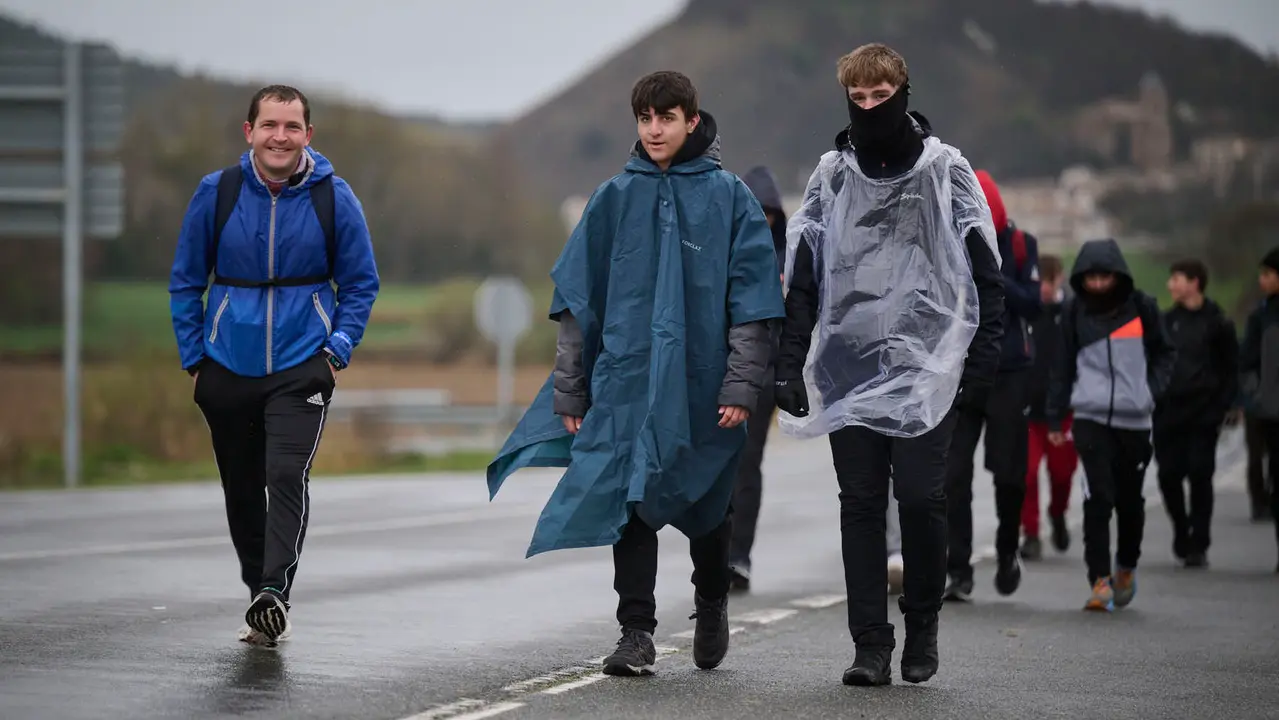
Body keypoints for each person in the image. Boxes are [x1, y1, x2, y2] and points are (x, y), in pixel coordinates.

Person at [486, 71, 785, 677]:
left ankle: (712, 600)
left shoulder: (730, 199)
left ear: (691, 121)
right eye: (645, 119)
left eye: (666, 118)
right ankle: (636, 632)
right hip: (627, 383)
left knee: (709, 504)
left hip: (704, 385)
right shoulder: (613, 199)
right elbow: (577, 304)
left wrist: (741, 385)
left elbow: (754, 306)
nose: (654, 130)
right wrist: (572, 388)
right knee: (631, 500)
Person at [774, 43, 1004, 686]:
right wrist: (789, 363)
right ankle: (870, 644)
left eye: (881, 95)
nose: (870, 106)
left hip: (928, 369)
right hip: (849, 366)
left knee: (924, 499)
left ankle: (922, 620)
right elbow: (804, 277)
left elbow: (986, 277)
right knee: (861, 504)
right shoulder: (831, 176)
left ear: (903, 92)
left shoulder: (944, 170)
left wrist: (980, 370)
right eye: (859, 97)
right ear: (846, 98)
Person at [168, 85, 380, 646]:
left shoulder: (334, 197)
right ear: (250, 132)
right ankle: (258, 594)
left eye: (291, 127)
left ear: (308, 134)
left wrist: (335, 351)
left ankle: (274, 593)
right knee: (241, 487)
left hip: (302, 364)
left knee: (285, 474)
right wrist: (196, 360)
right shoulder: (217, 193)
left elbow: (361, 283)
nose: (279, 137)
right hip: (225, 366)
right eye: (269, 125)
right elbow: (185, 281)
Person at [1045, 238, 1175, 612]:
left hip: (1135, 420)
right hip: (1090, 417)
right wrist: (1055, 416)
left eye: (1105, 277)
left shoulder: (1142, 307)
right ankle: (1099, 580)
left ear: (1118, 275)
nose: (1098, 284)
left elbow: (1165, 353)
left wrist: (1150, 392)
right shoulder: (1073, 312)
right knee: (1097, 497)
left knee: (1130, 501)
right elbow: (1062, 366)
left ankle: (1126, 567)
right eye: (1091, 278)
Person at [943, 171, 1042, 601]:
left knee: (1009, 474)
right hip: (960, 372)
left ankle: (1007, 549)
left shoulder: (1020, 245)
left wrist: (991, 273)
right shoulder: (948, 241)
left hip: (1009, 372)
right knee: (952, 474)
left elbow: (1034, 304)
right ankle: (958, 569)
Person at [727, 165, 789, 593]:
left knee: (747, 467)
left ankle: (738, 557)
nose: (763, 220)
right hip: (722, 374)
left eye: (769, 214)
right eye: (757, 212)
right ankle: (714, 556)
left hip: (764, 377)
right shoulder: (721, 252)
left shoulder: (789, 259)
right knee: (718, 469)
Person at [1154, 259, 1238, 568]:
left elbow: (1231, 367)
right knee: (1168, 475)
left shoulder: (1218, 323)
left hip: (1203, 413)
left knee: (1200, 474)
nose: (1170, 285)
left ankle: (1199, 542)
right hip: (1168, 412)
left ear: (1194, 282)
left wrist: (1224, 405)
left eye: (1176, 279)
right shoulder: (1165, 322)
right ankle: (1181, 528)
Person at [1021, 254, 1078, 559]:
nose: (1043, 287)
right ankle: (1031, 533)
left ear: (1060, 280)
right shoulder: (1025, 313)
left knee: (1062, 474)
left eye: (1048, 281)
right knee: (1027, 475)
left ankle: (1058, 513)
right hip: (1029, 412)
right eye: (1039, 281)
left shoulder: (1072, 314)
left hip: (1064, 412)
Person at [1238, 247, 1279, 571]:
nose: (1261, 280)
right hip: (1270, 411)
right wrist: (1257, 394)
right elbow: (1246, 362)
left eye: (1267, 274)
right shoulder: (1260, 317)